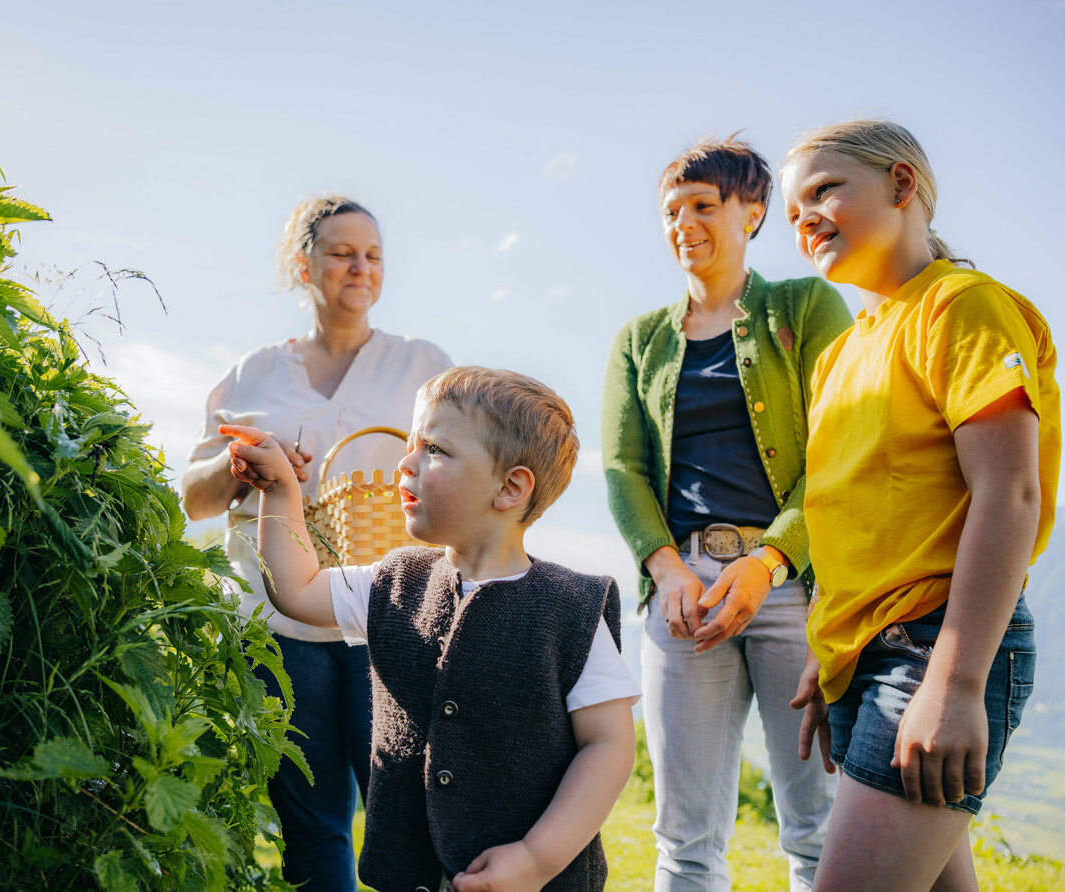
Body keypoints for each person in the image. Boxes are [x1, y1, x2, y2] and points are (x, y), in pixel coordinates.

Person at [221, 366, 640, 892]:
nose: (405, 463)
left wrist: (536, 860)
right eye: (411, 445)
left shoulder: (571, 608)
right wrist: (281, 489)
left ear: (510, 488)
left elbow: (608, 746)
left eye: (434, 449)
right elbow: (296, 589)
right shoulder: (394, 580)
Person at [779, 119, 1059, 892]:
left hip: (934, 649)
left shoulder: (962, 306)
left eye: (824, 191)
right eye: (793, 211)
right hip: (863, 658)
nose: (805, 219)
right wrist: (828, 650)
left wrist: (956, 684)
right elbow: (852, 514)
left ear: (902, 184)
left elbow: (1010, 491)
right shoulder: (839, 355)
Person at [180, 195, 451, 890]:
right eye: (342, 253)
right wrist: (244, 463)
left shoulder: (422, 365)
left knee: (408, 822)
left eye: (373, 255)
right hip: (278, 623)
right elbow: (195, 498)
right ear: (304, 266)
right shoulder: (253, 374)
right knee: (313, 827)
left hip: (388, 619)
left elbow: (459, 468)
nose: (361, 267)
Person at [601, 137, 849, 891]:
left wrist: (768, 561)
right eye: (671, 211)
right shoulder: (638, 341)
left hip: (795, 586)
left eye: (703, 206)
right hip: (682, 596)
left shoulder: (806, 307)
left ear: (754, 211)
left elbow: (838, 455)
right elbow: (623, 468)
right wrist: (666, 570)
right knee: (685, 839)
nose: (683, 224)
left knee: (818, 828)